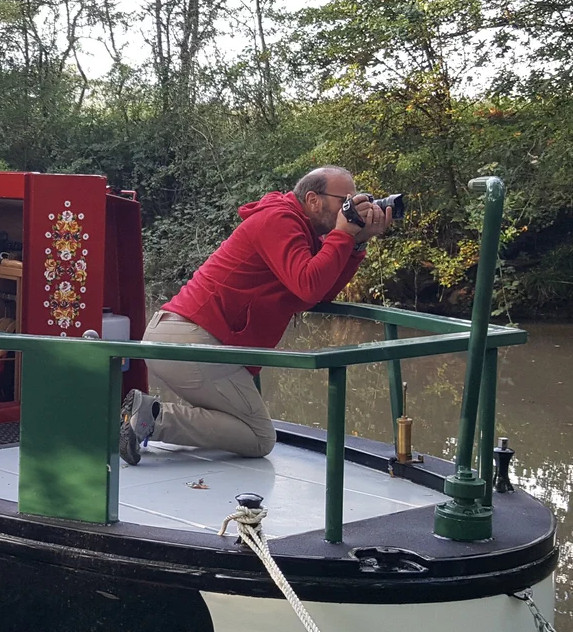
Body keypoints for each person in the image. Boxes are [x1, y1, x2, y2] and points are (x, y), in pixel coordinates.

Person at [120, 166, 394, 464]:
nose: (352, 208)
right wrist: (342, 234)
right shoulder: (279, 219)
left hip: (194, 340)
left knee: (248, 429)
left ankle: (149, 416)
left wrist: (354, 243)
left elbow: (318, 293)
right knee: (259, 436)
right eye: (346, 199)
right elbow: (309, 286)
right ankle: (151, 417)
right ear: (314, 199)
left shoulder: (301, 230)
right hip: (191, 340)